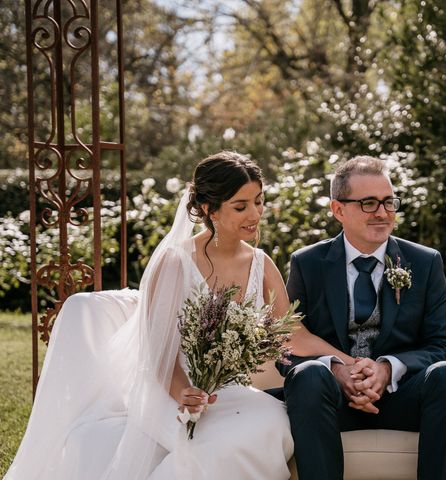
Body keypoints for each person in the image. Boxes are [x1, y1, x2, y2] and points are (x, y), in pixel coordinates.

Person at [5, 151, 347, 480]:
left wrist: (347, 361)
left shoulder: (261, 263)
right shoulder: (175, 262)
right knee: (210, 448)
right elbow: (159, 348)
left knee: (271, 425)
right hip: (169, 391)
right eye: (240, 206)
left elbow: (292, 334)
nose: (255, 214)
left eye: (259, 201)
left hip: (231, 393)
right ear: (207, 208)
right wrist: (183, 392)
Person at [282, 156, 446, 480]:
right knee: (308, 376)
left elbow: (443, 345)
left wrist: (387, 369)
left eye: (388, 202)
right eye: (369, 203)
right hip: (332, 402)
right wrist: (338, 371)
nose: (383, 213)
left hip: (402, 397)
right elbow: (285, 349)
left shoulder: (424, 262)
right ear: (338, 209)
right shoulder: (307, 264)